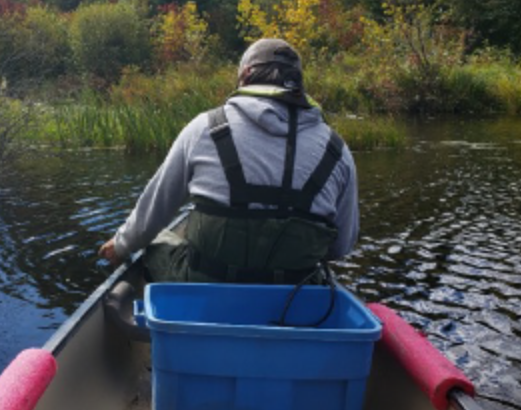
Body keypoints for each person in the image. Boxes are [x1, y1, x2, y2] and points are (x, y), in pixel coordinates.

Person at [98, 38, 359, 283]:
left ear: (245, 75)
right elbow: (340, 247)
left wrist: (121, 246)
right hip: (294, 300)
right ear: (299, 84)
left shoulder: (204, 128)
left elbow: (153, 212)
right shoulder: (337, 150)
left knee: (156, 243)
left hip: (205, 291)